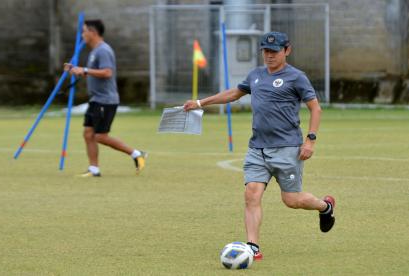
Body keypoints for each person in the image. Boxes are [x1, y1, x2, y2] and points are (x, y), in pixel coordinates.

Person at [183, 31, 335, 260]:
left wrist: (310, 140)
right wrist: (200, 103)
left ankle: (325, 207)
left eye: (274, 51)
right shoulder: (255, 75)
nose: (269, 56)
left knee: (292, 201)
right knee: (251, 194)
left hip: (287, 148)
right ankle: (252, 245)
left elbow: (316, 108)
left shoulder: (296, 77)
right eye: (265, 51)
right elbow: (234, 93)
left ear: (287, 50)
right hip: (257, 148)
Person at [64, 19, 147, 177]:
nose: (82, 35)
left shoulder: (103, 50)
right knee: (88, 134)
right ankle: (94, 169)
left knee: (100, 136)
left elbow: (107, 72)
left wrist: (85, 70)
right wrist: (74, 69)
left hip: (105, 100)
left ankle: (137, 154)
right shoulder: (94, 51)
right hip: (96, 99)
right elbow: (88, 71)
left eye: (84, 31)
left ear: (93, 32)